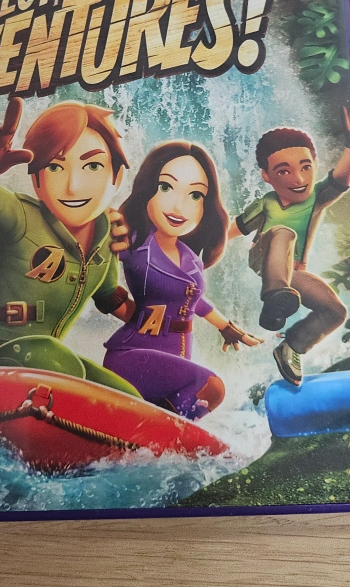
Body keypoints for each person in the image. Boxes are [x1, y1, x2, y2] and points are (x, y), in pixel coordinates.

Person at [0, 95, 140, 395]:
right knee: (65, 368)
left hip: (51, 359)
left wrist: (157, 320)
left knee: (127, 396)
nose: (73, 186)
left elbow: (109, 296)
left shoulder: (107, 233)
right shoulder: (23, 216)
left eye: (93, 166)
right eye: (55, 168)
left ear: (117, 176)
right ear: (36, 180)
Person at [103, 142, 262, 419]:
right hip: (135, 353)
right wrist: (128, 310)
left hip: (178, 351)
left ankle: (152, 437)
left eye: (195, 195)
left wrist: (226, 327)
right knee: (211, 388)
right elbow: (97, 274)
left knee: (177, 411)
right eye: (166, 187)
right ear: (148, 190)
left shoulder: (190, 258)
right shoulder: (132, 243)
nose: (179, 206)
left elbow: (193, 299)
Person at [229, 107, 350, 386]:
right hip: (264, 259)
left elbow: (341, 180)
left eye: (305, 167)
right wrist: (194, 243)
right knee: (284, 233)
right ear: (267, 176)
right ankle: (274, 298)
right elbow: (233, 229)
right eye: (283, 171)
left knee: (335, 311)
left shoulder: (316, 198)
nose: (298, 179)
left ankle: (292, 347)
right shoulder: (267, 203)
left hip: (291, 273)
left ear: (315, 164)